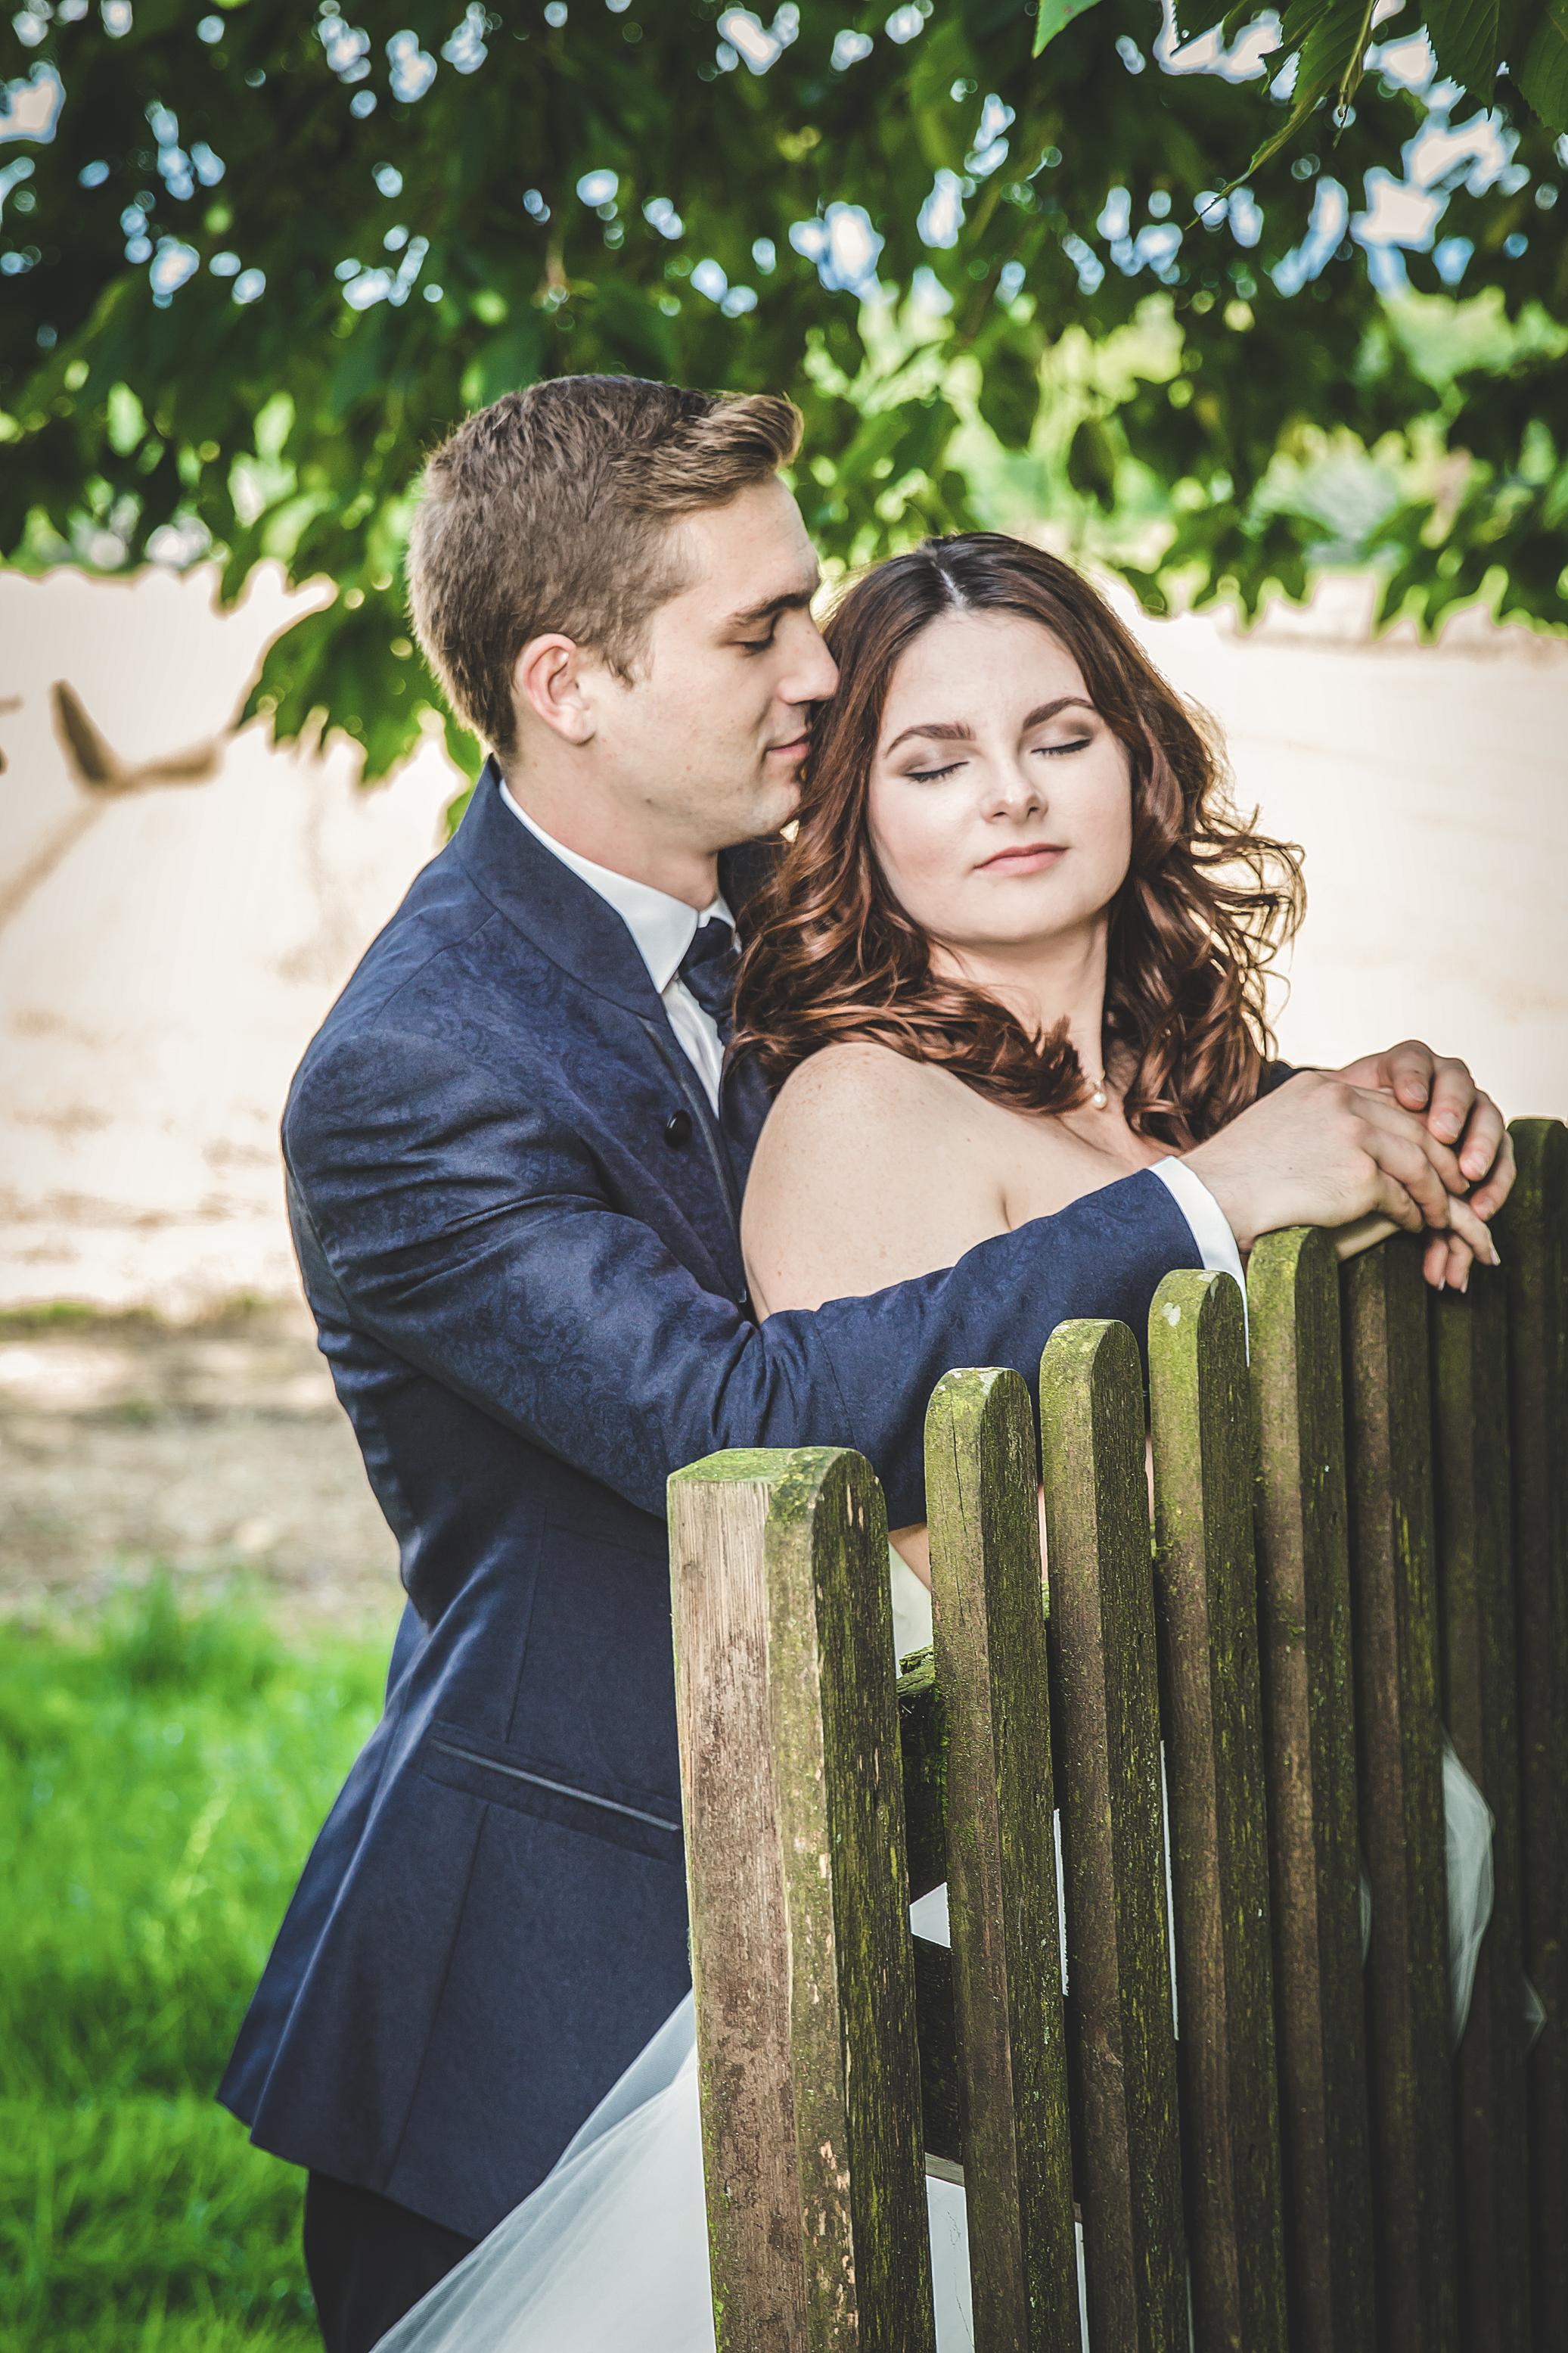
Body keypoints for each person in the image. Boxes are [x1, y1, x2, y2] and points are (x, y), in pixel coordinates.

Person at [216, 376, 1511, 2353]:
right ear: (567, 685)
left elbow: (1070, 1070)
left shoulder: (800, 895)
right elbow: (736, 1426)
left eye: (808, 608)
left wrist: (1354, 1103)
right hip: (568, 1955)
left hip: (969, 1842)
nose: (818, 670)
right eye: (757, 633)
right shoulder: (421, 1073)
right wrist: (1210, 1203)